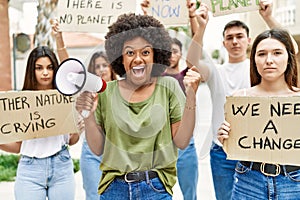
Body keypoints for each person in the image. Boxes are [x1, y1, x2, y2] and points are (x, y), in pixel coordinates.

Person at [75, 13, 201, 199]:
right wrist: (89, 115)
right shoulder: (105, 92)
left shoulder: (168, 87)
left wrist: (191, 96)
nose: (138, 59)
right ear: (120, 57)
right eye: (130, 52)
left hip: (156, 188)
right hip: (114, 190)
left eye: (145, 52)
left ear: (156, 56)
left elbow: (181, 141)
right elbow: (97, 149)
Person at [186, 1, 299, 199]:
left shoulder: (265, 66)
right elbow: (193, 61)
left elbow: (289, 46)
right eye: (229, 38)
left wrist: (267, 17)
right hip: (222, 150)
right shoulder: (216, 71)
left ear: (248, 41)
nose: (235, 41)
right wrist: (201, 26)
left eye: (240, 37)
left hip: (268, 156)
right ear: (224, 43)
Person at [217, 28, 300, 199]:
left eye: (277, 53)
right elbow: (233, 143)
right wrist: (225, 138)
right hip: (248, 180)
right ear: (254, 60)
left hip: (294, 181)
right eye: (261, 54)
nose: (269, 60)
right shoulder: (239, 99)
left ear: (289, 57)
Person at [0, 46, 80, 200]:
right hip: (30, 169)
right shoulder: (20, 102)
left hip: (61, 165)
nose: (45, 73)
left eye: (50, 68)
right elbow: (18, 147)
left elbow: (71, 140)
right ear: (32, 70)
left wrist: (78, 128)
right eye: (39, 68)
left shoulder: (66, 97)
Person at [51, 20, 117, 200]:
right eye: (97, 66)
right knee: (94, 196)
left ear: (112, 68)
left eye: (105, 65)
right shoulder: (87, 89)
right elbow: (67, 66)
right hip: (92, 153)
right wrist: (59, 38)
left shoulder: (122, 89)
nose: (102, 69)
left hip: (116, 150)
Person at [162, 37, 199, 200]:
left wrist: (194, 19)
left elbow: (195, 55)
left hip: (185, 144)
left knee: (189, 193)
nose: (171, 55)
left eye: (175, 51)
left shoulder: (188, 76)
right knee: (159, 193)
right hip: (162, 143)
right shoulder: (157, 78)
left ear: (181, 54)